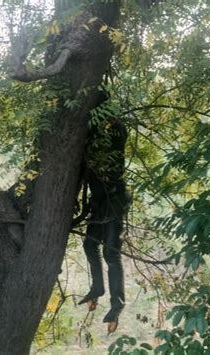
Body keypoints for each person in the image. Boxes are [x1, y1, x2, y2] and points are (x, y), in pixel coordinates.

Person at [78, 95, 130, 331]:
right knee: (90, 245)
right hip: (98, 200)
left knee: (110, 253)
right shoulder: (91, 135)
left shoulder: (116, 132)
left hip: (114, 198)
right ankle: (97, 287)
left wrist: (105, 114)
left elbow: (119, 129)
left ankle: (117, 304)